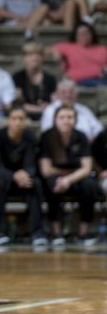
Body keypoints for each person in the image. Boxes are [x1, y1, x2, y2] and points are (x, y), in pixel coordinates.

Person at [39, 104, 98, 246]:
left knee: (90, 185)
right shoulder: (47, 136)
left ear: (75, 120)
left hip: (76, 177)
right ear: (55, 120)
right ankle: (56, 232)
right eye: (62, 117)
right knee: (52, 184)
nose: (66, 120)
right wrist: (64, 178)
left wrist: (68, 180)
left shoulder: (81, 136)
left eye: (70, 117)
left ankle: (83, 232)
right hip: (56, 175)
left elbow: (87, 168)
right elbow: (46, 170)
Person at [0, 105, 44, 247]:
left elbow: (31, 164)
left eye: (21, 119)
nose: (18, 122)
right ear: (8, 121)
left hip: (23, 179)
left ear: (26, 121)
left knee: (36, 184)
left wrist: (26, 174)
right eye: (14, 119)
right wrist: (14, 175)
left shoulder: (30, 137)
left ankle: (36, 232)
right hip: (4, 178)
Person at [48, 22, 107, 87]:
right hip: (79, 80)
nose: (83, 36)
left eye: (86, 33)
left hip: (101, 79)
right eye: (80, 34)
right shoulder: (68, 47)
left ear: (91, 34)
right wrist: (56, 53)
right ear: (75, 36)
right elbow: (47, 49)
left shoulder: (102, 49)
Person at [14, 41, 57, 121]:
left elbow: (54, 101)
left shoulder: (50, 79)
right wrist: (38, 109)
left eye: (38, 54)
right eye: (30, 55)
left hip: (47, 114)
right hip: (25, 114)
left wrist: (48, 108)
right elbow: (18, 102)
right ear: (24, 58)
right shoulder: (18, 77)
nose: (35, 58)